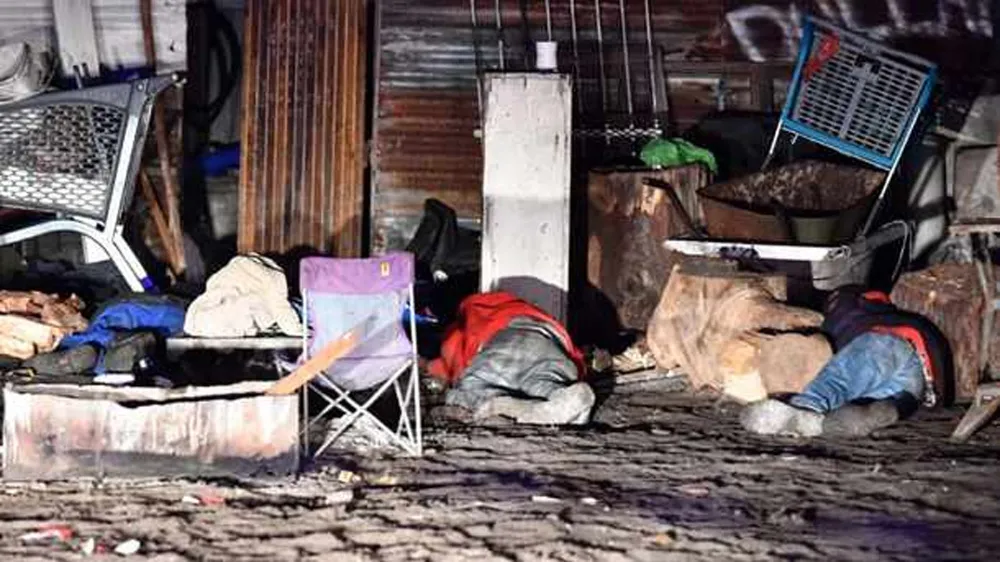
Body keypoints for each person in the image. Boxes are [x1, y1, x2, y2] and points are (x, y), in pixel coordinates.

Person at [742, 285, 949, 437]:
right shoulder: (883, 313)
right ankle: (884, 411)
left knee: (838, 378)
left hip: (888, 346)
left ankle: (806, 406)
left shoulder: (849, 307)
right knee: (853, 390)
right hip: (915, 385)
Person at [428, 291, 595, 425]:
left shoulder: (459, 324)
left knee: (465, 396)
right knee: (542, 386)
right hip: (550, 343)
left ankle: (501, 406)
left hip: (507, 340)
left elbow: (450, 362)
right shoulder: (491, 305)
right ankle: (563, 398)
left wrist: (432, 369)